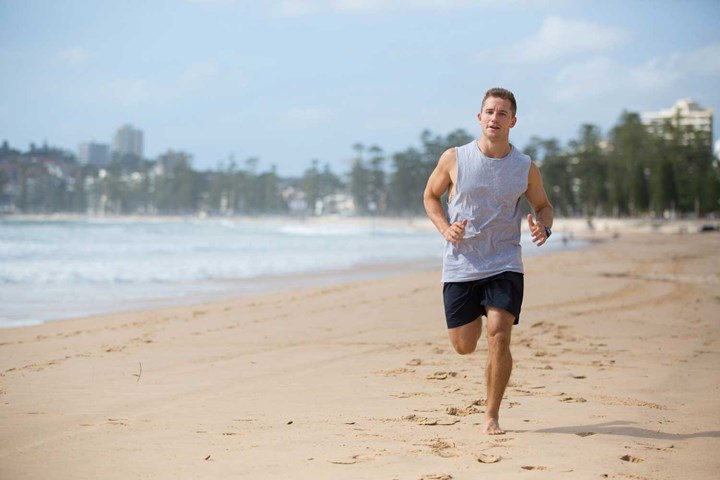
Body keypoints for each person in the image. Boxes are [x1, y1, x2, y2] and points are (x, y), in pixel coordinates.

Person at [423, 87, 554, 435]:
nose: (495, 118)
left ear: (513, 121)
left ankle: (491, 415)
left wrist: (544, 227)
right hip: (462, 262)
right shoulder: (455, 158)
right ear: (479, 118)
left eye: (502, 113)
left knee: (500, 333)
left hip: (504, 261)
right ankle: (478, 314)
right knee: (464, 345)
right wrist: (445, 228)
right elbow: (430, 196)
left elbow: (543, 206)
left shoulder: (524, 166)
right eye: (489, 112)